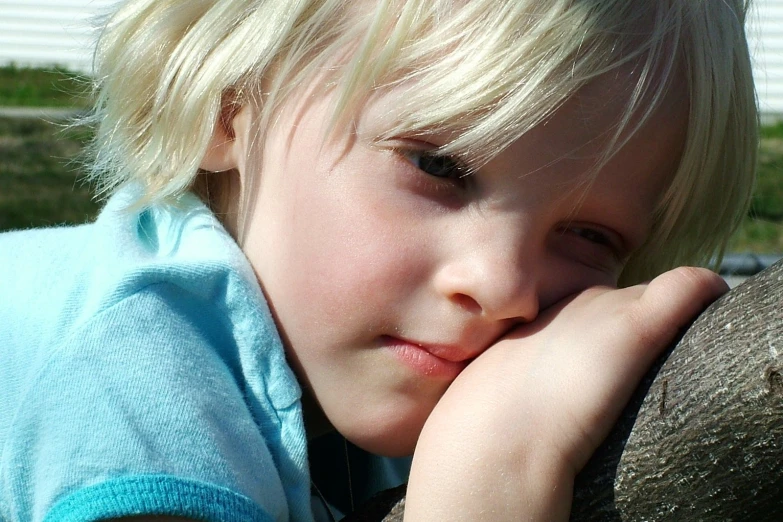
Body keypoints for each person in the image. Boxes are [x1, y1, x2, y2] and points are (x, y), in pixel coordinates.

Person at [0, 0, 758, 520]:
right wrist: (490, 479)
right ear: (227, 105)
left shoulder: (334, 369)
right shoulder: (127, 372)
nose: (501, 286)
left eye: (591, 237)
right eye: (437, 167)